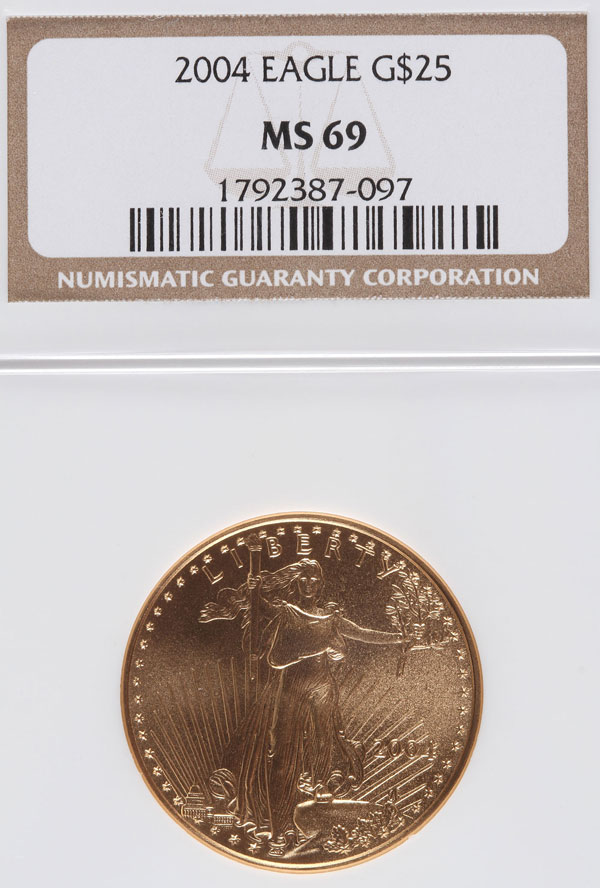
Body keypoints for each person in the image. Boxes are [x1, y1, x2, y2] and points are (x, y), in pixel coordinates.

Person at [199, 558, 405, 855]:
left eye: (314, 579)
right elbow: (261, 611)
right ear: (296, 583)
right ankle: (278, 828)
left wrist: (401, 638)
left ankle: (320, 793)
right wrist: (254, 591)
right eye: (304, 579)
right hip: (291, 687)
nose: (309, 584)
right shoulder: (286, 612)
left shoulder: (331, 617)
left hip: (322, 685)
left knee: (324, 743)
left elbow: (363, 633)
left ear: (321, 584)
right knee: (281, 755)